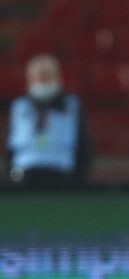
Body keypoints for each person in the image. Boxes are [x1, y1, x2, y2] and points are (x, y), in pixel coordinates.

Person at [7, 53, 91, 186]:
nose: (42, 82)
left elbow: (84, 146)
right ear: (30, 80)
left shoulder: (71, 106)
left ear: (57, 78)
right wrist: (12, 177)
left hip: (61, 172)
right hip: (24, 173)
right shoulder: (20, 107)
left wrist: (78, 181)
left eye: (46, 77)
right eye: (38, 77)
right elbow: (11, 149)